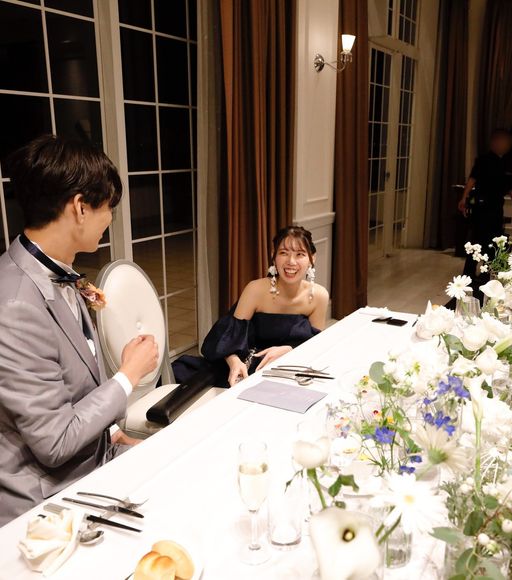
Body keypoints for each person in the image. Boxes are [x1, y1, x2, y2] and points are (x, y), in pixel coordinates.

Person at [0, 135, 159, 525]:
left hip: (94, 456)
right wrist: (127, 377)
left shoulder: (57, 271)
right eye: (109, 207)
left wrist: (113, 434)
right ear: (80, 207)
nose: (110, 219)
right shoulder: (15, 305)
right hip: (50, 497)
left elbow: (74, 393)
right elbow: (54, 443)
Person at [174, 226, 329, 387]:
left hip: (289, 370)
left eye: (300, 254)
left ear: (312, 258)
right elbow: (228, 338)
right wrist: (234, 362)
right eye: (284, 253)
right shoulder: (256, 290)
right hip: (245, 367)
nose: (291, 261)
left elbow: (315, 346)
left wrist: (289, 350)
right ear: (273, 255)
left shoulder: (318, 296)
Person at [459, 129, 512, 278]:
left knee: (495, 240)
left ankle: (487, 273)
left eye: (507, 143)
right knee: (477, 239)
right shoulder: (483, 160)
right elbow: (472, 179)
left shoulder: (508, 163)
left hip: (497, 205)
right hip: (481, 204)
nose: (504, 145)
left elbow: (511, 185)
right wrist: (464, 198)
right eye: (501, 142)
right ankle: (469, 273)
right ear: (494, 143)